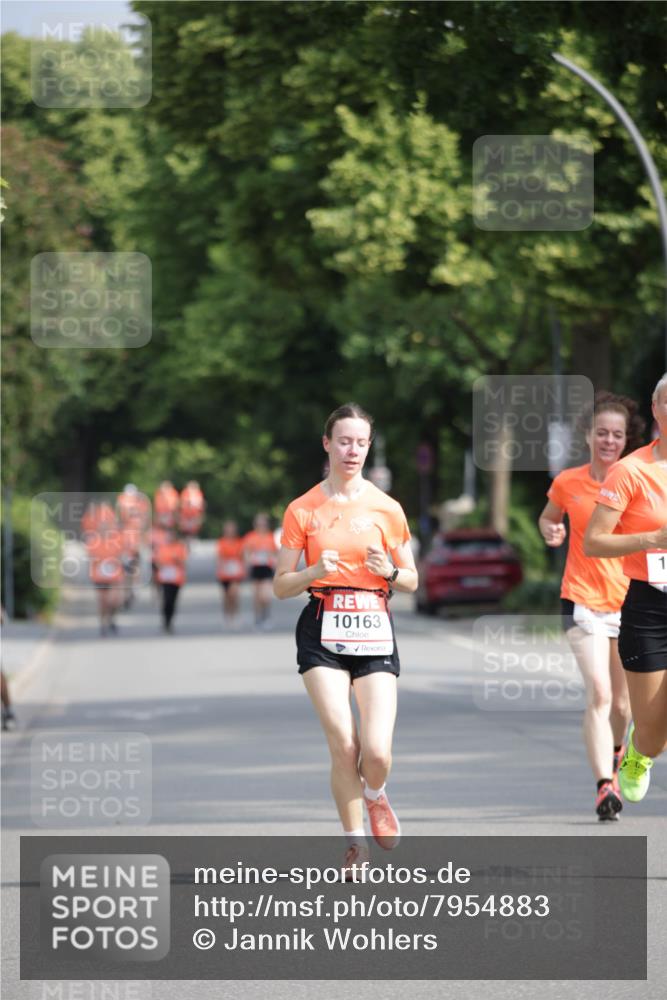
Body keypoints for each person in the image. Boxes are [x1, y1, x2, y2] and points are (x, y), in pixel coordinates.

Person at [274, 403, 418, 874]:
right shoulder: (303, 508)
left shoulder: (386, 507)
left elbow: (413, 579)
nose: (352, 450)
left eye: (360, 442)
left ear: (368, 447)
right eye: (344, 441)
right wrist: (312, 571)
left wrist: (390, 571)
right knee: (344, 743)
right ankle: (355, 842)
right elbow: (280, 584)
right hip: (322, 625)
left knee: (377, 751)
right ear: (327, 444)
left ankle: (375, 794)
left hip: (374, 625)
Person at [538, 392, 643, 819]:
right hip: (581, 598)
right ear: (588, 435)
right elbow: (549, 516)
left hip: (630, 600)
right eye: (601, 432)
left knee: (623, 705)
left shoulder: (637, 481)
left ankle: (617, 757)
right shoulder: (568, 482)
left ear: (625, 440)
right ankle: (604, 786)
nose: (608, 440)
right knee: (599, 693)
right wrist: (551, 530)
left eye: (617, 434)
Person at [585, 374, 667, 803]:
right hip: (650, 607)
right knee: (655, 735)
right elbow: (594, 541)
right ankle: (638, 750)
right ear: (655, 410)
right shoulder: (631, 470)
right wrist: (652, 539)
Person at [85, 506, 124, 636]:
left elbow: (120, 555)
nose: (104, 530)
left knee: (114, 600)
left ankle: (111, 618)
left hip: (114, 575)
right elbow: (91, 557)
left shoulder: (115, 540)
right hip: (99, 576)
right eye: (101, 527)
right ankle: (102, 624)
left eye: (106, 527)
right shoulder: (93, 542)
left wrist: (115, 561)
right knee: (102, 602)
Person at [243, 513, 279, 628]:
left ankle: (266, 615)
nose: (261, 525)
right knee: (256, 595)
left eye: (263, 523)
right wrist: (247, 561)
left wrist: (275, 562)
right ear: (255, 524)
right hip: (255, 567)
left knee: (265, 596)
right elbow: (246, 552)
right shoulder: (250, 537)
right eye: (259, 523)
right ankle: (257, 618)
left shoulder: (270, 537)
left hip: (267, 568)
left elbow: (275, 553)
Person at [154, 530, 189, 633]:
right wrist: (164, 564)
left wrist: (176, 560)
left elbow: (184, 563)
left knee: (173, 600)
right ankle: (165, 620)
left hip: (176, 578)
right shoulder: (161, 548)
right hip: (165, 578)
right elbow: (157, 563)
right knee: (166, 599)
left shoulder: (180, 547)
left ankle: (170, 620)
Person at [216, 520, 245, 625]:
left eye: (231, 529)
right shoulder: (221, 542)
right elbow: (219, 557)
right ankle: (227, 614)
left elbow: (242, 557)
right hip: (224, 572)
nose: (230, 531)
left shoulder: (239, 542)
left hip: (236, 572)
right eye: (228, 529)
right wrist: (220, 568)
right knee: (226, 596)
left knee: (234, 594)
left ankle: (235, 614)